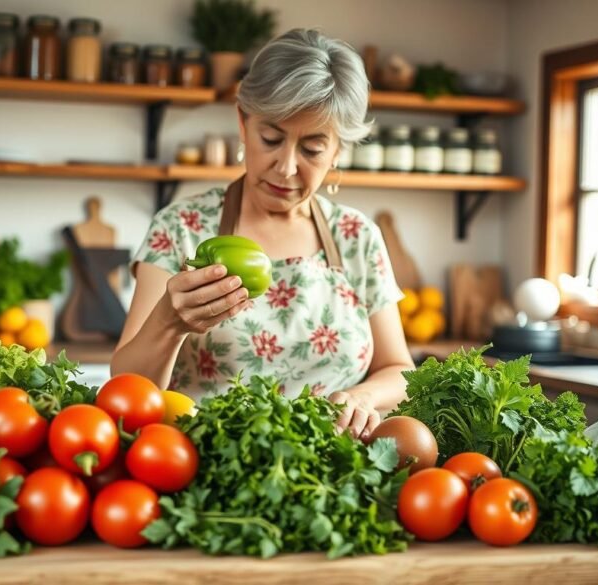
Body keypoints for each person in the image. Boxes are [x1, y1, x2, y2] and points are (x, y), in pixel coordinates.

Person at [111, 28, 414, 439]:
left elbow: (399, 370)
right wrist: (169, 321)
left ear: (338, 149)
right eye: (271, 138)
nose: (286, 167)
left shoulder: (356, 236)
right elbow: (126, 387)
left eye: (312, 148)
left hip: (332, 473)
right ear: (242, 121)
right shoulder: (180, 229)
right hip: (202, 465)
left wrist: (363, 396)